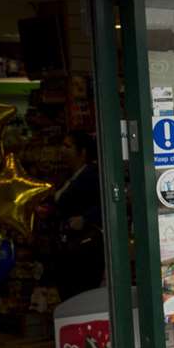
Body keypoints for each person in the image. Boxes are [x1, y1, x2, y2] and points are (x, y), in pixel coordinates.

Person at [53, 129, 104, 301]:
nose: (62, 150)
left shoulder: (92, 175)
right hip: (69, 249)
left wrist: (85, 219)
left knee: (80, 295)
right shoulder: (68, 176)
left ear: (82, 152)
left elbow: (105, 204)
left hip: (84, 251)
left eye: (68, 146)